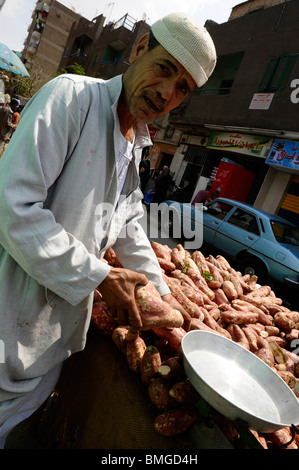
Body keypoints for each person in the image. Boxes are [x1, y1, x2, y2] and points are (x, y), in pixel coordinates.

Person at [0, 12, 216, 447]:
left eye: (182, 89)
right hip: (8, 322)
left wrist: (165, 302)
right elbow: (13, 207)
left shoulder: (135, 143)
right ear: (138, 50)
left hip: (51, 340)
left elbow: (128, 224)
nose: (166, 92)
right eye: (164, 68)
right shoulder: (72, 98)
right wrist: (102, 276)